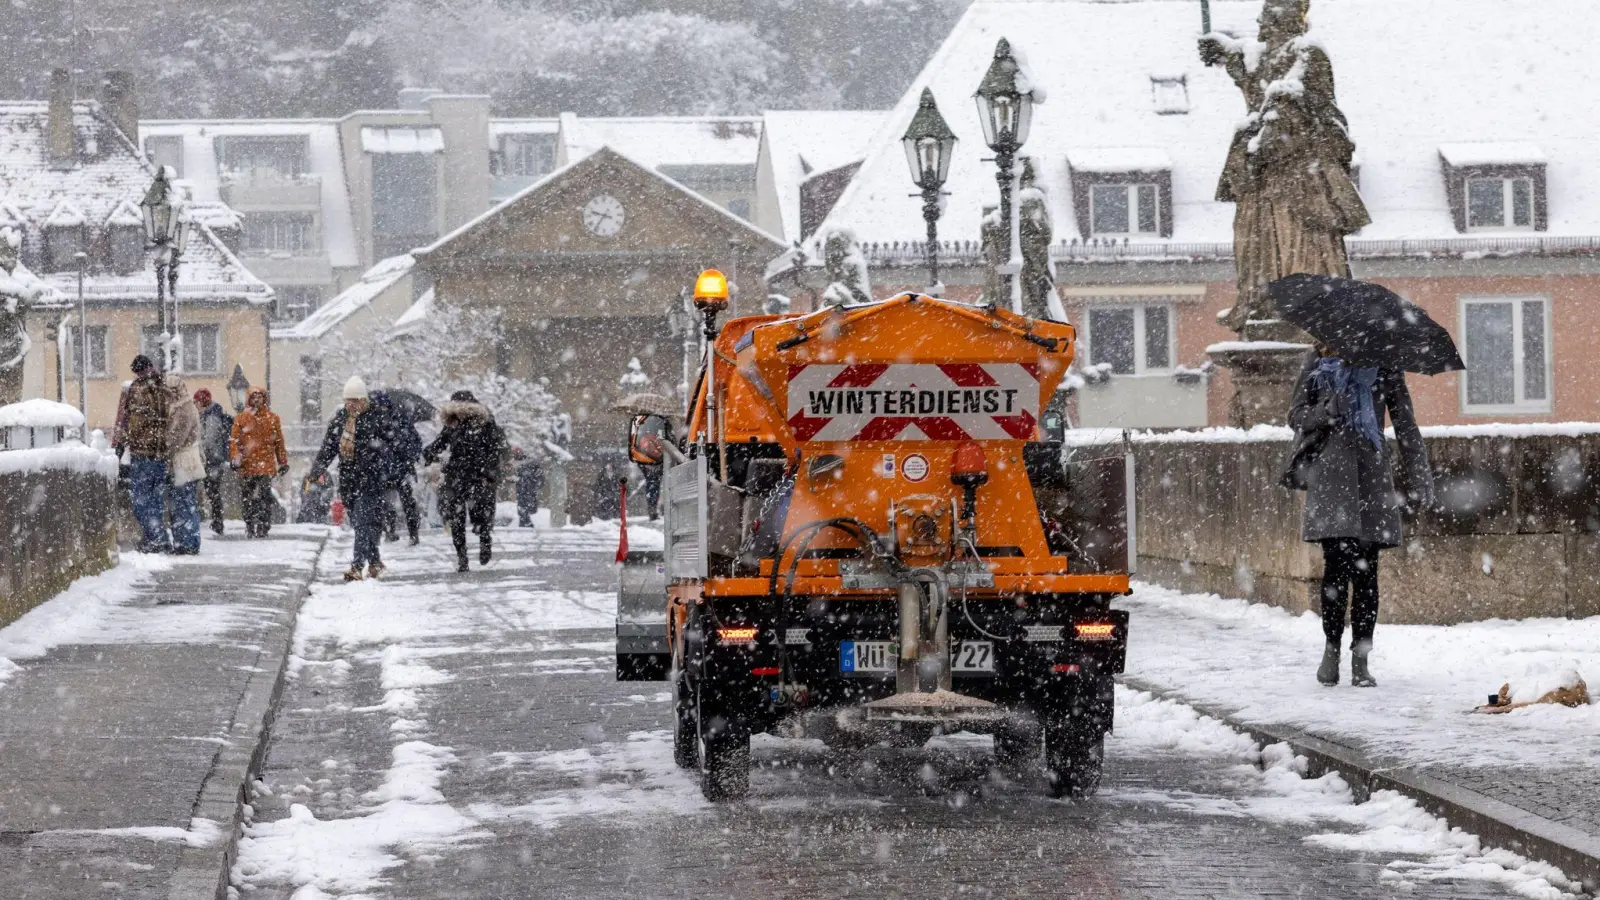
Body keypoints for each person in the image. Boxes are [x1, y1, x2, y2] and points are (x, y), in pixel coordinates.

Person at [1284, 345, 1432, 688]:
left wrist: (1420, 474)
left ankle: (1361, 658)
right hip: (1330, 480)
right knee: (1336, 567)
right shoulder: (1318, 361)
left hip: (1372, 480)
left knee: (1368, 572)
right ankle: (1331, 650)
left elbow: (1405, 424)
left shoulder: (1385, 364)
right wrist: (1326, 409)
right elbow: (1295, 416)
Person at [309, 376, 401, 581]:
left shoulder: (377, 418)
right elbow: (329, 448)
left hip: (371, 479)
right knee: (360, 523)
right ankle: (375, 562)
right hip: (349, 479)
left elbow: (392, 447)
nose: (349, 404)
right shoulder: (341, 419)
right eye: (347, 400)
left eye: (353, 400)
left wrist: (378, 458)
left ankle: (357, 566)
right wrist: (317, 470)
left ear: (363, 400)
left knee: (362, 520)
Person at [425, 390, 506, 573]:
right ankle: (463, 556)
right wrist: (430, 452)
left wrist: (490, 472)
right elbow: (441, 442)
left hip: (479, 475)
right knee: (456, 517)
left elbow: (494, 449)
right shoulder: (453, 424)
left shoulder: (485, 423)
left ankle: (484, 540)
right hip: (458, 475)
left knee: (480, 513)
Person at [113, 355, 176, 553]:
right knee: (156, 499)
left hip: (143, 452)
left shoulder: (136, 389)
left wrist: (121, 445)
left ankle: (155, 538)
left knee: (140, 499)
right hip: (162, 453)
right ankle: (158, 537)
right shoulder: (166, 388)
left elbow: (129, 422)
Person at [230, 387, 290, 538]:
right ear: (249, 399)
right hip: (247, 465)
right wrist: (236, 458)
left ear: (264, 399)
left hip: (265, 465)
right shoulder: (241, 419)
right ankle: (250, 524)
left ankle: (264, 525)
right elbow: (235, 441)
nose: (257, 400)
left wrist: (282, 462)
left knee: (264, 496)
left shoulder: (272, 418)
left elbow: (279, 442)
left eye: (260, 397)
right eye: (254, 397)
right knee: (247, 497)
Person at [373, 389, 423, 545]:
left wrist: (407, 455)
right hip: (386, 469)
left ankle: (410, 533)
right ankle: (391, 531)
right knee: (386, 503)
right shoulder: (374, 423)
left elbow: (415, 442)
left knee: (405, 502)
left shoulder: (400, 420)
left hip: (399, 468)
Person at [164, 375, 205, 555]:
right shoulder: (184, 407)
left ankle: (187, 542)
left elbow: (175, 439)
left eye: (173, 390)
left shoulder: (184, 410)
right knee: (184, 502)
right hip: (184, 461)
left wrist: (164, 451)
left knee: (183, 503)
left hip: (183, 462)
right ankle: (185, 541)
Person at [194, 390, 233, 536]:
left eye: (196, 402)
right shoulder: (209, 415)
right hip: (212, 460)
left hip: (212, 461)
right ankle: (216, 521)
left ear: (202, 402)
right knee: (212, 491)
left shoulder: (212, 417)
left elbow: (209, 440)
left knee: (213, 492)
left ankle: (217, 522)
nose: (195, 405)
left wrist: (197, 447)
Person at [628, 413, 671, 521]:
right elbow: (664, 441)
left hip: (646, 458)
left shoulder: (642, 422)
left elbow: (637, 441)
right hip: (656, 459)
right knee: (654, 483)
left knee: (652, 483)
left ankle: (652, 508)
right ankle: (653, 508)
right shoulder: (659, 424)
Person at [513, 446, 543, 528]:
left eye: (519, 451)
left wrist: (534, 479)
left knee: (528, 504)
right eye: (516, 452)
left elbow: (539, 472)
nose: (518, 453)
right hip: (522, 487)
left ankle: (525, 519)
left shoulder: (530, 461)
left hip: (529, 486)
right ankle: (524, 520)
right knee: (522, 504)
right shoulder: (515, 462)